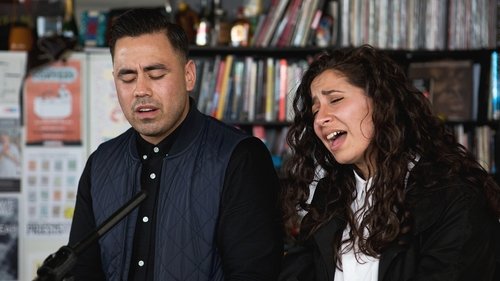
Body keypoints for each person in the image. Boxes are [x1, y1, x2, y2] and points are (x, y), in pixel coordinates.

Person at [68, 8, 283, 281]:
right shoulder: (101, 163)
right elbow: (81, 271)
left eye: (155, 74)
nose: (141, 90)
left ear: (189, 75)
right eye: (127, 77)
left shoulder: (239, 157)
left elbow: (254, 273)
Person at [280, 45, 500, 281]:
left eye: (335, 99)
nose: (321, 118)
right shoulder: (329, 197)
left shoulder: (455, 199)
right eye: (315, 109)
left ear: (381, 102)